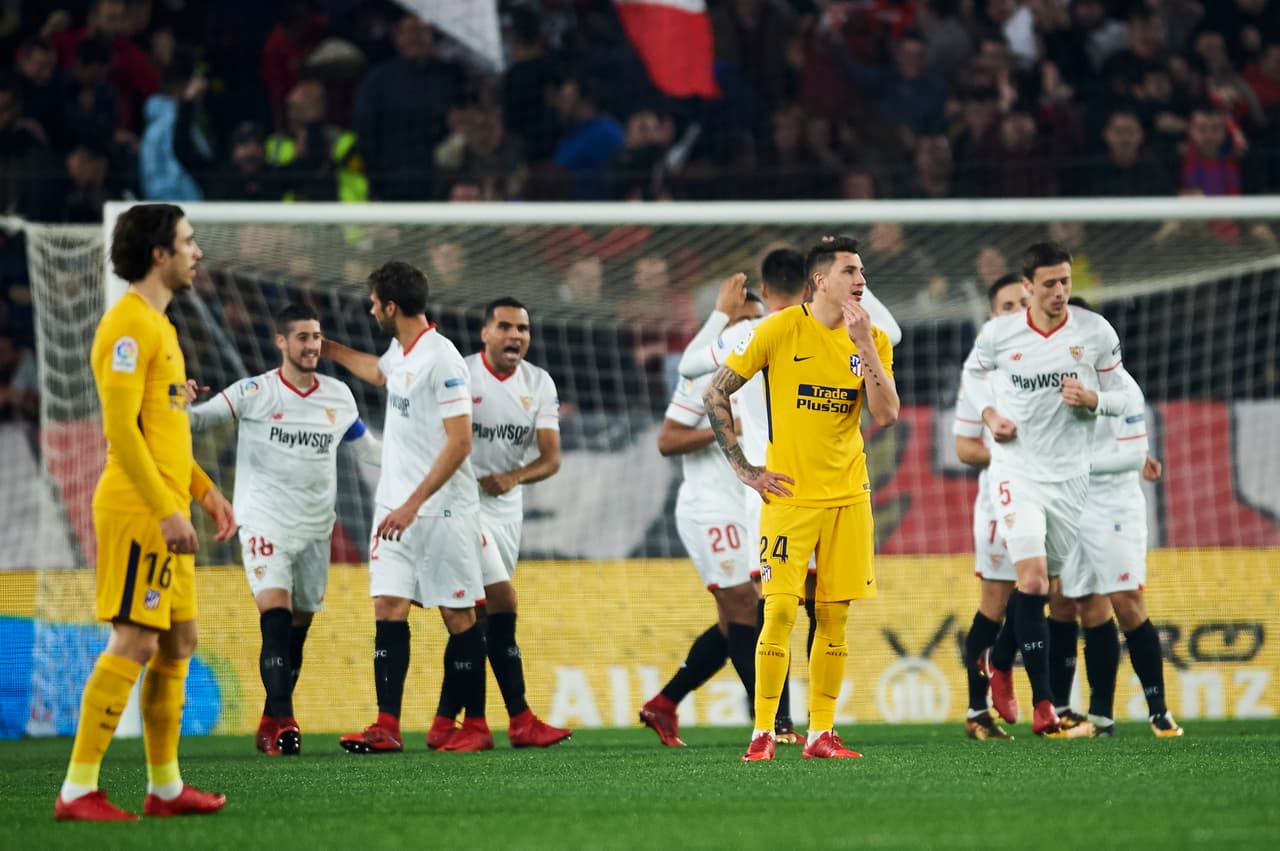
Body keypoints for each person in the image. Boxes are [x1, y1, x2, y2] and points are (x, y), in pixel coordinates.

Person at [55, 203, 235, 821]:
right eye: (187, 241)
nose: (197, 251)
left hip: (167, 503)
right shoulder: (128, 328)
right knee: (135, 637)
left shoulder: (162, 328)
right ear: (159, 253)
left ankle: (164, 788)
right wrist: (166, 509)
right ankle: (78, 789)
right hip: (138, 510)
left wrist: (206, 492)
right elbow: (121, 434)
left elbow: (162, 432)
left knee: (179, 640)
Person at [678, 249, 902, 745]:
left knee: (832, 616)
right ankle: (764, 731)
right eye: (851, 271)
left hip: (849, 498)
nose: (862, 279)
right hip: (788, 498)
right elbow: (713, 392)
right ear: (820, 280)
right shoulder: (777, 330)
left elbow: (886, 414)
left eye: (864, 270)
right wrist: (745, 469)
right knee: (777, 609)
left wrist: (864, 342)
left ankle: (822, 731)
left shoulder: (874, 338)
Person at [188, 302, 382, 756]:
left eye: (316, 337)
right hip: (263, 521)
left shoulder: (338, 395)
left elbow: (368, 450)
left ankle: (270, 719)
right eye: (302, 338)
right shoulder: (254, 392)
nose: (312, 345)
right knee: (274, 615)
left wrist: (426, 460)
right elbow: (200, 420)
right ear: (281, 342)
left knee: (297, 628)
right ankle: (286, 721)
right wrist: (170, 402)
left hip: (316, 527)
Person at [966, 241, 1136, 737]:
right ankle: (1045, 707)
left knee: (1044, 588)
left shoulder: (1095, 331)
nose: (1060, 291)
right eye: (1049, 283)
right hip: (1016, 473)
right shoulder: (1000, 334)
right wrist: (992, 415)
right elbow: (973, 379)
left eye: (1065, 281)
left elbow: (1125, 395)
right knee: (1034, 581)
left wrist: (1094, 400)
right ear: (1028, 286)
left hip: (1070, 476)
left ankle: (999, 661)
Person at [323, 261, 490, 753]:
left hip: (440, 511)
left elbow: (460, 443)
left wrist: (414, 503)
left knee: (458, 617)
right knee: (388, 607)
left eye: (374, 301)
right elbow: (379, 371)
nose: (371, 307)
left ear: (390, 306)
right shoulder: (401, 350)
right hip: (395, 510)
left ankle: (475, 728)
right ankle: (386, 725)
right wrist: (329, 351)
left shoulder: (444, 361)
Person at [426, 297, 572, 749]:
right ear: (485, 333)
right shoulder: (461, 373)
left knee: (481, 614)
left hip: (507, 508)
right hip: (461, 502)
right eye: (506, 327)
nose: (516, 336)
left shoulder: (539, 383)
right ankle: (515, 719)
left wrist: (514, 476)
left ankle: (447, 720)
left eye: (523, 329)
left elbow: (550, 458)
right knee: (496, 601)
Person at [640, 291, 765, 747]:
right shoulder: (703, 375)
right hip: (710, 505)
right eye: (742, 318)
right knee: (747, 608)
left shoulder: (767, 373)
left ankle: (664, 703)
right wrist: (724, 429)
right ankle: (772, 721)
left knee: (739, 622)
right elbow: (668, 440)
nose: (749, 327)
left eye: (757, 318)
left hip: (749, 503)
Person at [1062, 298, 1182, 738]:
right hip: (1071, 504)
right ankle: (1100, 718)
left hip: (1112, 507)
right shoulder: (1051, 385)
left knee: (1127, 603)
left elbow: (1133, 454)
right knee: (1087, 607)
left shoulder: (1123, 388)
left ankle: (1160, 713)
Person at [954, 274, 1028, 740]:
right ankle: (977, 709)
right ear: (991, 317)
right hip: (1003, 499)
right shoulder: (980, 373)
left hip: (1055, 493)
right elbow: (963, 447)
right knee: (995, 605)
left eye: (1023, 302)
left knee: (1051, 588)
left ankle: (1008, 670)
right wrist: (1010, 453)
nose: (1018, 311)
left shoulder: (1056, 360)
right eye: (1007, 306)